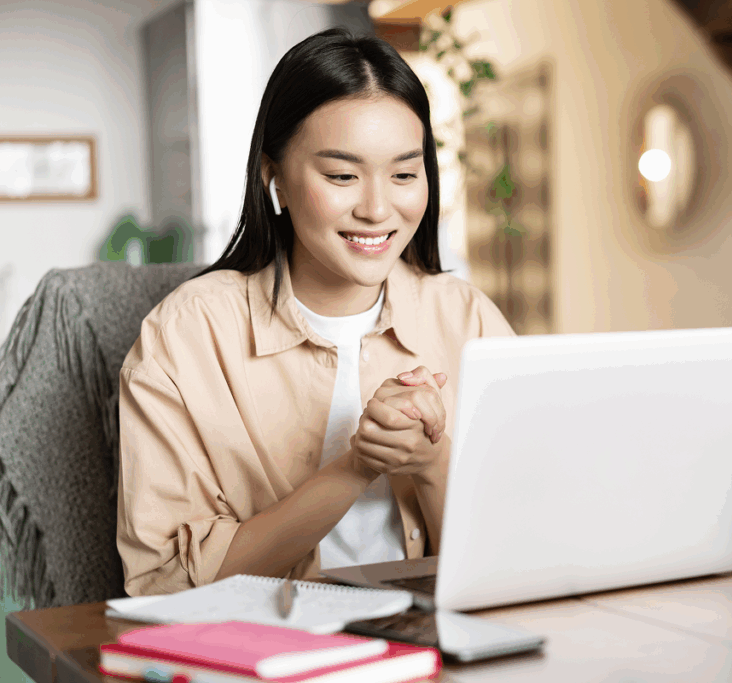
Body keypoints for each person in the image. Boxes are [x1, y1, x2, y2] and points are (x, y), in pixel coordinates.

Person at [116, 29, 514, 596]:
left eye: (404, 174)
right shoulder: (184, 339)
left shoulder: (467, 318)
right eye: (341, 176)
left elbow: (513, 557)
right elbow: (165, 587)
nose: (378, 209)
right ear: (272, 176)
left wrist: (431, 463)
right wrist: (354, 467)